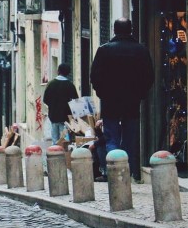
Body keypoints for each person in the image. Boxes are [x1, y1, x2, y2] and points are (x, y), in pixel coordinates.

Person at [90, 18, 155, 183]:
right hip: (132, 101)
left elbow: (94, 76)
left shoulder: (104, 50)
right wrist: (140, 94)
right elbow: (149, 76)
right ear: (131, 30)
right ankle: (128, 173)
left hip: (110, 101)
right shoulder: (141, 50)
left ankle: (114, 172)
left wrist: (102, 93)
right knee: (129, 137)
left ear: (114, 30)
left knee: (111, 137)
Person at [43, 63, 78, 145]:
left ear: (58, 71)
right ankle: (64, 155)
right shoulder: (70, 85)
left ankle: (55, 154)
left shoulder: (51, 84)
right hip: (66, 117)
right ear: (68, 73)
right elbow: (76, 101)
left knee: (55, 139)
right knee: (64, 139)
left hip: (53, 116)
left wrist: (53, 105)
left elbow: (45, 100)